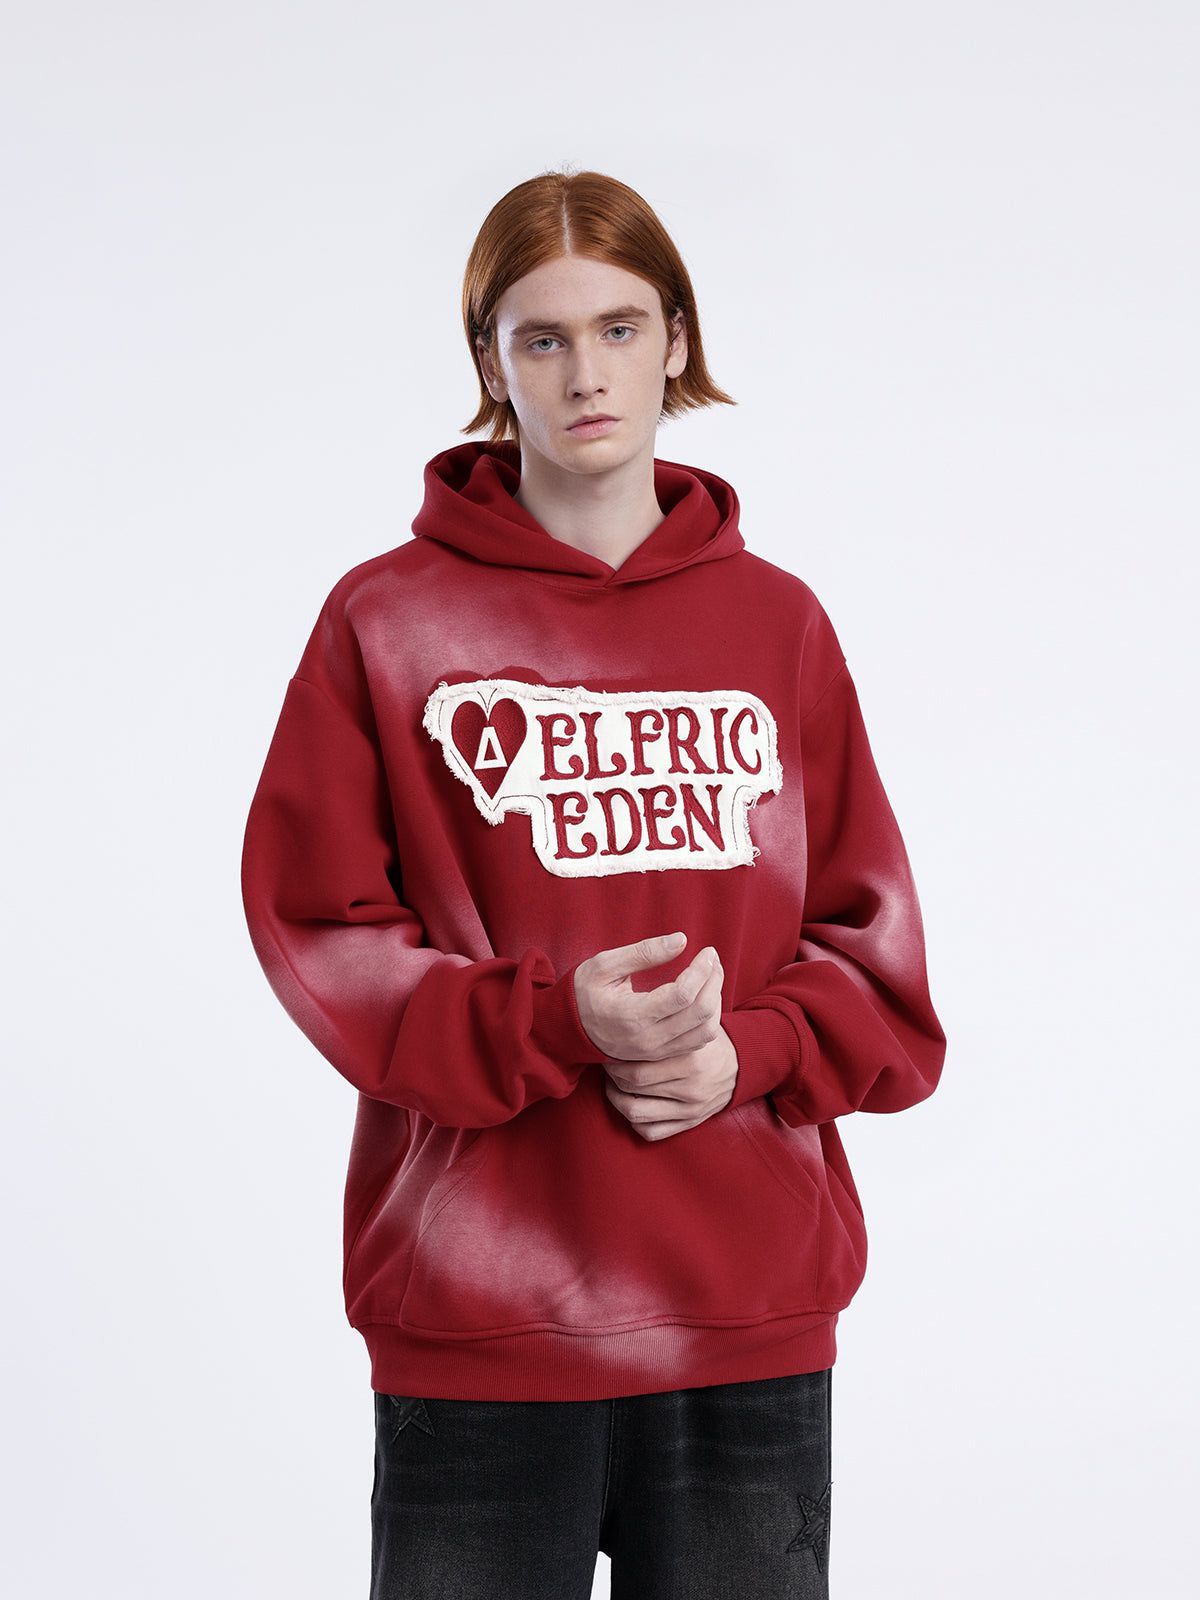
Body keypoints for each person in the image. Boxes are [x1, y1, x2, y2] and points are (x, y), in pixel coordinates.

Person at [240, 167, 947, 1599]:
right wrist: (554, 1021)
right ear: (489, 361)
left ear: (676, 338)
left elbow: (875, 954)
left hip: (745, 1298)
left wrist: (748, 1053)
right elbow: (320, 926)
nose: (585, 374)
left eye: (620, 328)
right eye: (542, 337)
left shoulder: (777, 623)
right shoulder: (388, 620)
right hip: (477, 1309)